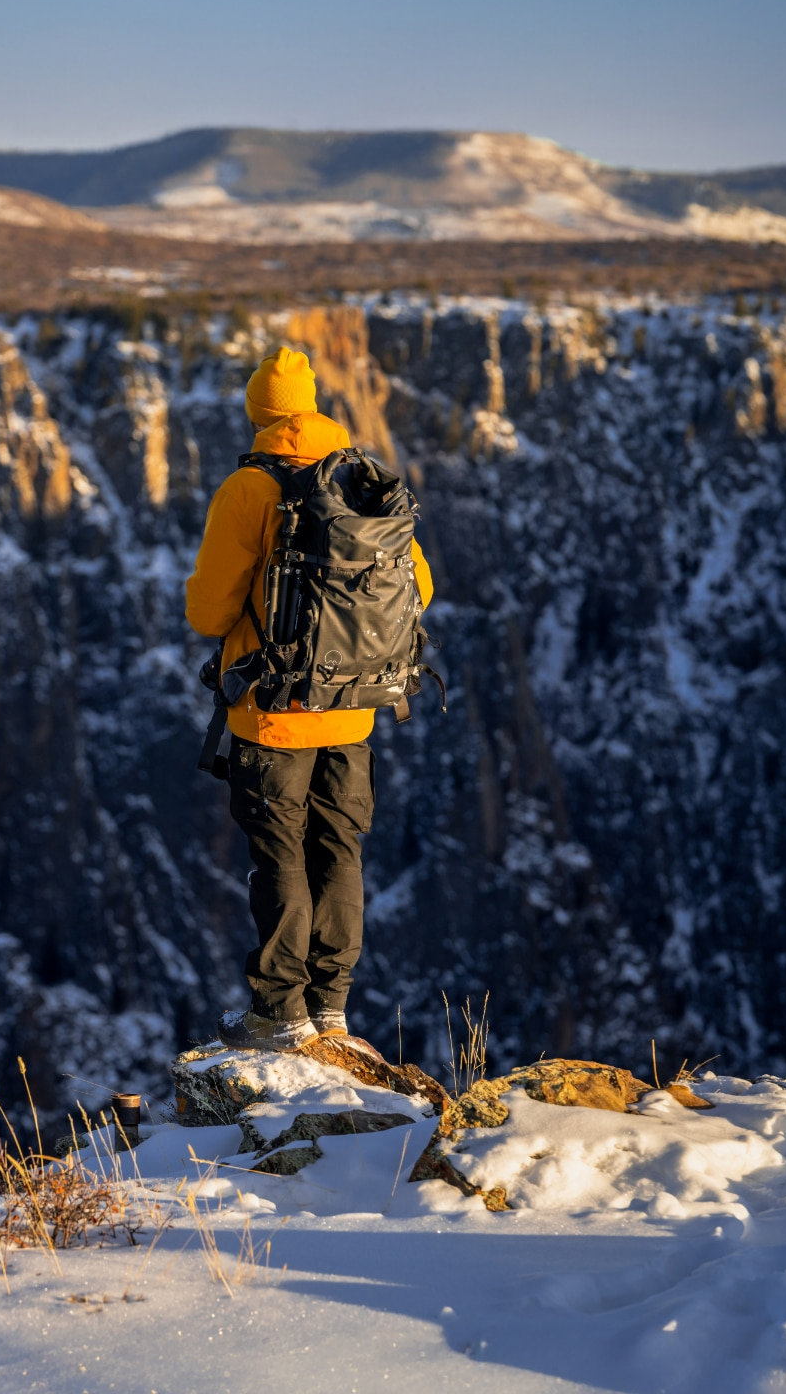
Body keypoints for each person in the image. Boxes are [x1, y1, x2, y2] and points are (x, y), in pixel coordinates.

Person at [185, 346, 434, 1052]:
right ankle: (332, 1007)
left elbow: (208, 613)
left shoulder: (251, 490)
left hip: (274, 711)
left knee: (280, 857)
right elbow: (422, 589)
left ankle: (278, 1011)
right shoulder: (360, 479)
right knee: (338, 849)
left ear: (258, 411)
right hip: (354, 705)